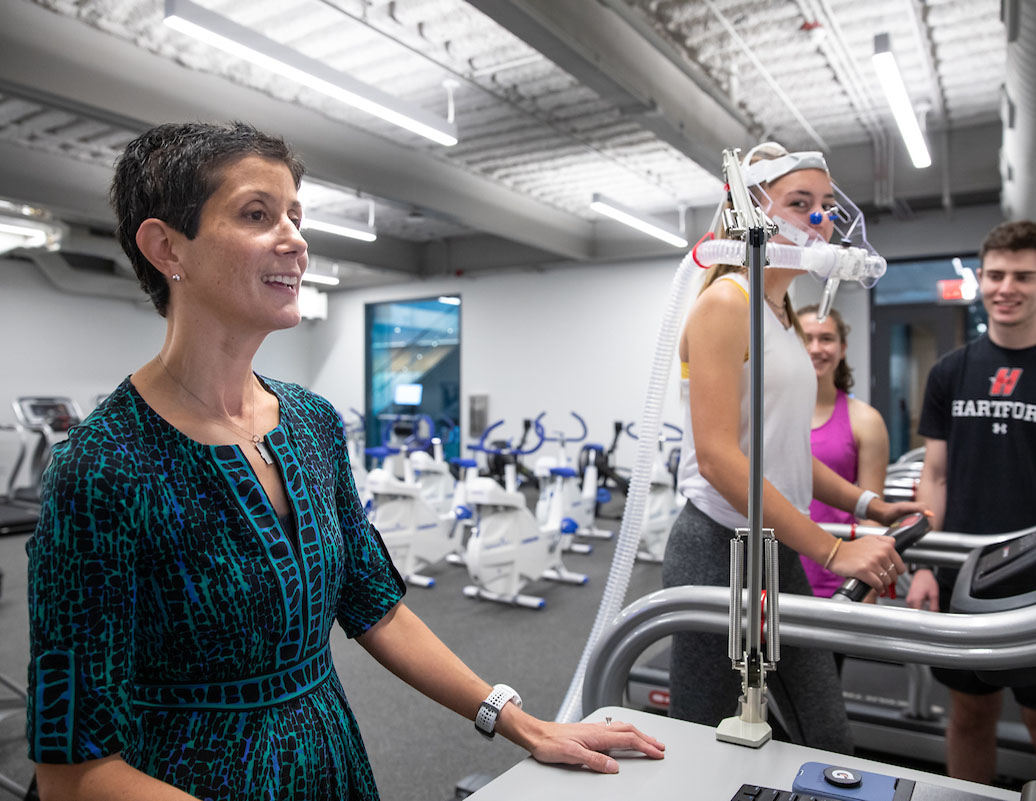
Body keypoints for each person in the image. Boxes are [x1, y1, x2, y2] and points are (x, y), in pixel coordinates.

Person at [25, 121, 664, 801]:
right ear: (165, 247)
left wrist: (520, 723)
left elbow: (375, 606)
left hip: (326, 766)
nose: (295, 239)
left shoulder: (310, 424)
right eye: (256, 214)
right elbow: (71, 771)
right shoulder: (102, 468)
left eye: (295, 216)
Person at [662, 142, 921, 752]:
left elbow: (784, 449)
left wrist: (865, 507)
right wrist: (834, 552)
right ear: (753, 212)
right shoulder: (727, 304)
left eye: (827, 206)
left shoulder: (782, 313)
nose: (820, 220)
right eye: (799, 203)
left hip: (774, 546)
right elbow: (721, 460)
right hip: (718, 546)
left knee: (822, 731)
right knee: (705, 737)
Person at [906, 220, 1036, 782]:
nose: (1005, 287)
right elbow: (935, 476)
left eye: (1023, 275)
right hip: (964, 574)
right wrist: (924, 565)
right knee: (968, 715)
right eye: (994, 274)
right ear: (980, 280)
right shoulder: (950, 371)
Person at [797, 305, 890, 600]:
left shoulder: (865, 420)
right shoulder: (766, 417)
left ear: (842, 347)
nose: (816, 348)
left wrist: (868, 586)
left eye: (826, 339)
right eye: (805, 338)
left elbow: (871, 513)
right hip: (776, 567)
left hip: (837, 573)